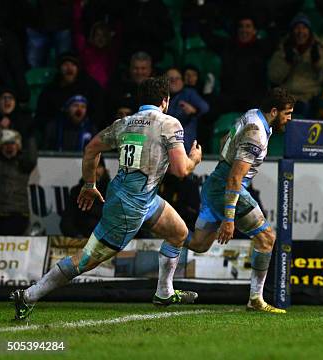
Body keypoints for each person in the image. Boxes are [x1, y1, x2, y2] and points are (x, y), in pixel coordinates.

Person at [11, 76, 203, 321]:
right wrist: (194, 158)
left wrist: (90, 183)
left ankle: (164, 292)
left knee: (178, 233)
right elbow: (181, 169)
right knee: (87, 260)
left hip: (142, 197)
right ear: (165, 101)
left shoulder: (124, 123)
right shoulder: (169, 123)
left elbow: (91, 148)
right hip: (128, 207)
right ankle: (29, 295)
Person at [180, 87, 295, 314]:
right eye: (287, 113)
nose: (290, 119)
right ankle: (255, 298)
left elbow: (225, 139)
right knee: (267, 238)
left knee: (198, 244)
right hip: (228, 187)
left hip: (214, 184)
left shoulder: (252, 115)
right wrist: (229, 219)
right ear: (274, 111)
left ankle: (169, 232)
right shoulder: (256, 133)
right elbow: (234, 177)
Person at [268, 13, 323, 113]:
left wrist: (317, 62)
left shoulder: (321, 47)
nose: (300, 32)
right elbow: (274, 77)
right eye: (297, 28)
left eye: (304, 28)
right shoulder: (283, 48)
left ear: (310, 31)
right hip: (287, 96)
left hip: (312, 96)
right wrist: (287, 62)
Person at [0, 129, 37, 235]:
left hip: (19, 215)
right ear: (1, 147)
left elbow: (32, 158)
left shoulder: (23, 164)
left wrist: (29, 135)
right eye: (6, 144)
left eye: (12, 143)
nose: (9, 147)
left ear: (18, 146)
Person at [60, 157, 111, 237]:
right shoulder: (77, 192)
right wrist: (78, 236)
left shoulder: (112, 193)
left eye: (99, 166)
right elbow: (66, 222)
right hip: (82, 242)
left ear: (104, 169)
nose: (95, 171)